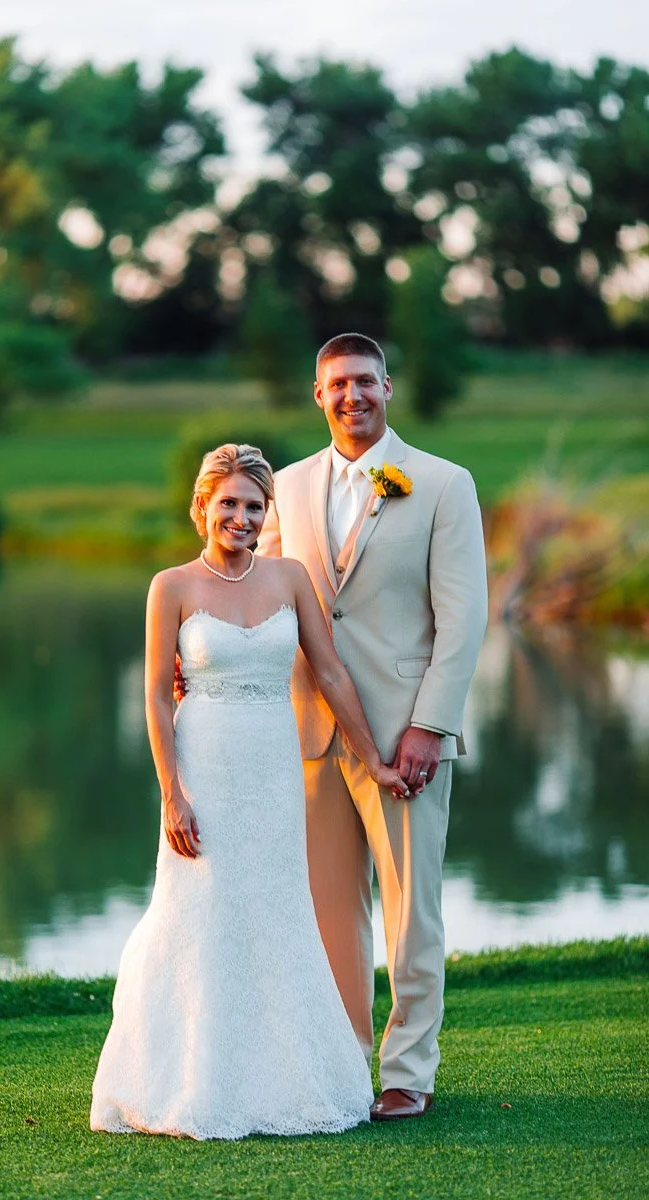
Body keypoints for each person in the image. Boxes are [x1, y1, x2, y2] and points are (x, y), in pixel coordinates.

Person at [90, 443, 408, 1140]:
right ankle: (192, 1079)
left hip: (271, 769)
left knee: (274, 909)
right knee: (197, 908)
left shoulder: (291, 578)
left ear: (268, 516)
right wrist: (172, 793)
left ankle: (288, 1079)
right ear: (203, 505)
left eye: (254, 506)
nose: (240, 516)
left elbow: (329, 674)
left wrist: (376, 761)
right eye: (228, 502)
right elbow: (153, 696)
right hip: (203, 768)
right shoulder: (170, 587)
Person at [257, 332, 488, 1120]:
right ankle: (343, 1064)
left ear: (388, 386)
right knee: (329, 912)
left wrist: (431, 725)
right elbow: (259, 596)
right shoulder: (284, 488)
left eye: (365, 381)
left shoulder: (443, 484)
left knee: (410, 912)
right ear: (316, 395)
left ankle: (408, 1071)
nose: (352, 396)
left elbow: (463, 621)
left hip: (404, 739)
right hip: (311, 736)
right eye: (336, 385)